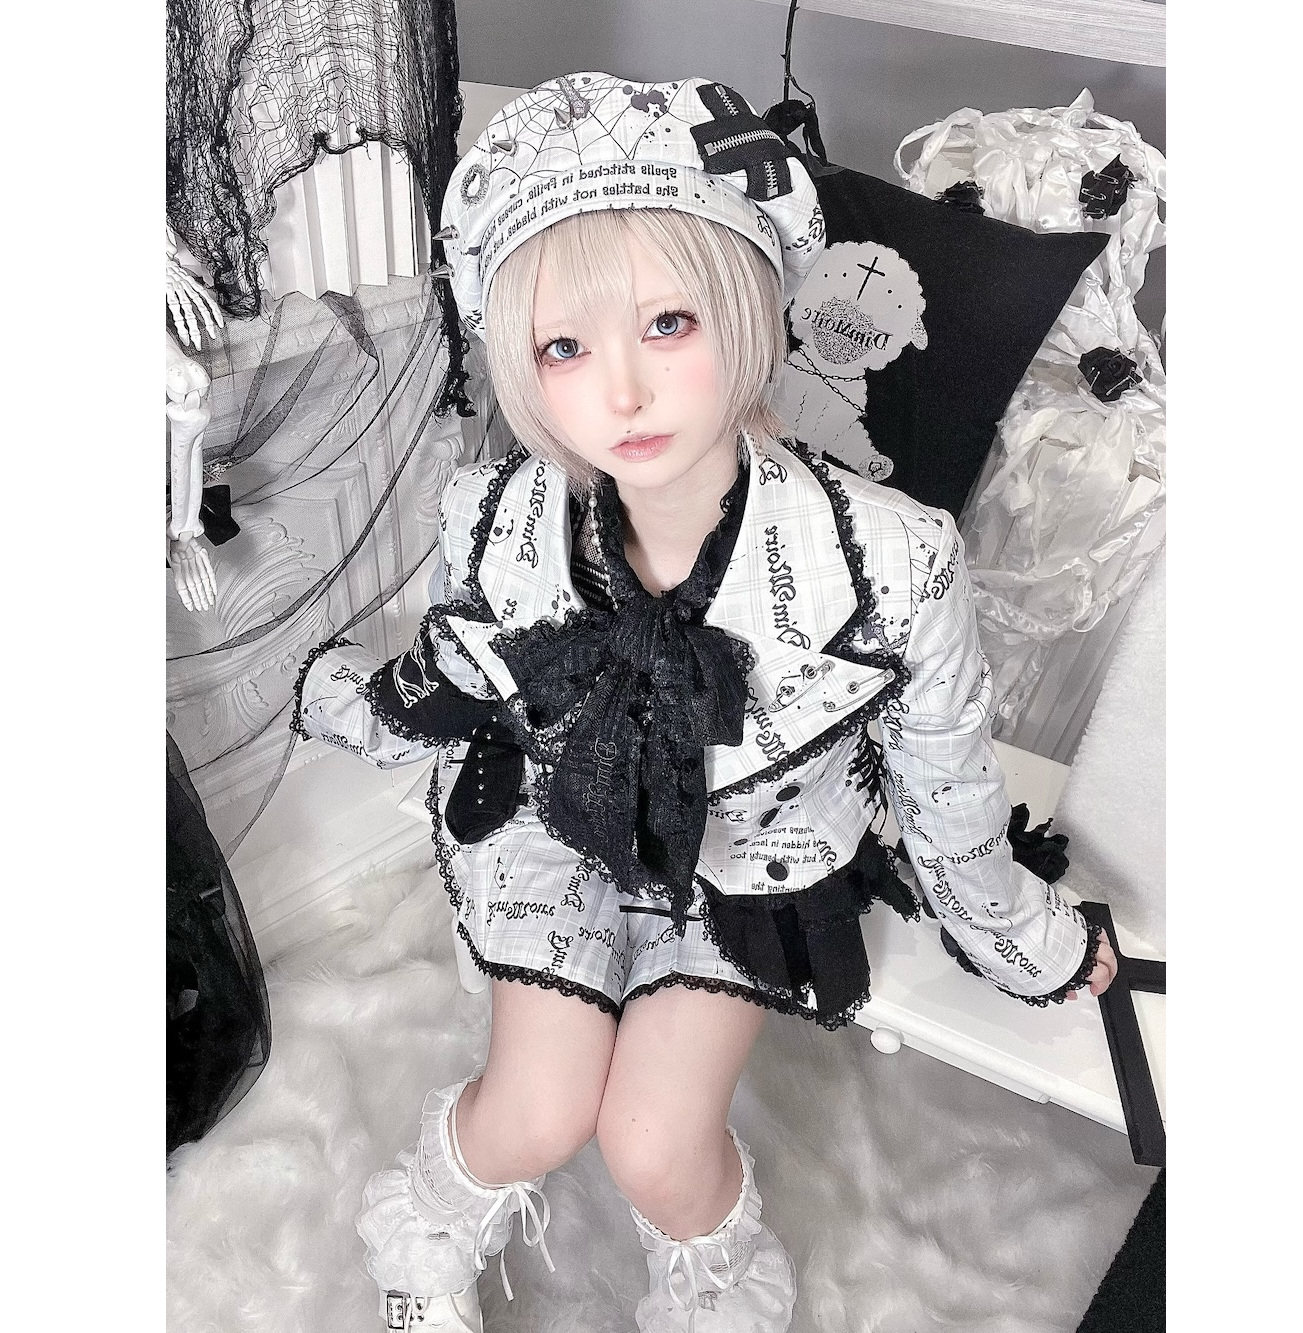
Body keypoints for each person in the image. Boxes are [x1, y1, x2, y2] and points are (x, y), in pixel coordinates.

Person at [291, 72, 1118, 1333]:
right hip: (555, 827)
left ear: (743, 304)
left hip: (757, 856)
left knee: (656, 1144)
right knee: (534, 1109)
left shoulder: (889, 559)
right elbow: (458, 672)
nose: (619, 393)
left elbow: (948, 791)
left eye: (667, 323)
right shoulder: (496, 514)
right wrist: (344, 699)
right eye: (564, 348)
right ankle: (425, 1239)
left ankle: (716, 1299)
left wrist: (1033, 944)